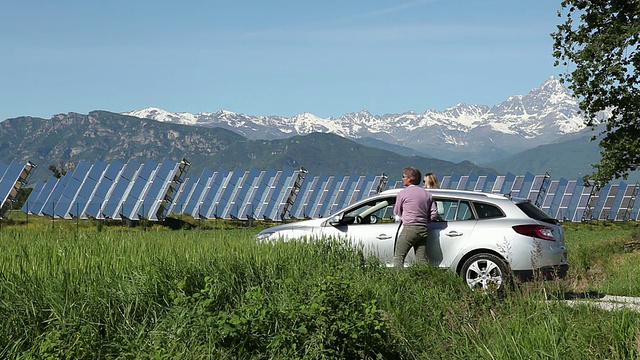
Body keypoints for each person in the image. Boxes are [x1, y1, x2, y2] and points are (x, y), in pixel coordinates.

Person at [393, 167, 437, 267]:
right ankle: (426, 279)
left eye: (403, 176)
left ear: (409, 179)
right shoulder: (427, 194)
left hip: (409, 228)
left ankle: (398, 281)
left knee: (399, 257)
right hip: (423, 229)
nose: (402, 178)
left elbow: (397, 212)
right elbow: (434, 213)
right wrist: (425, 220)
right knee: (421, 259)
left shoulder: (402, 194)